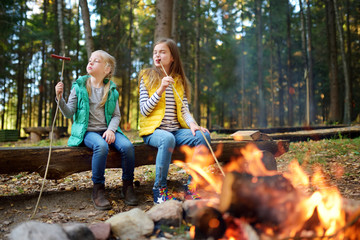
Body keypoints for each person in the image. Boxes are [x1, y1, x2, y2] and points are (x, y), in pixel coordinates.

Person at [55, 50, 138, 210]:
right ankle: (98, 189)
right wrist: (60, 99)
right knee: (101, 146)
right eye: (90, 60)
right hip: (87, 132)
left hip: (107, 130)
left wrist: (112, 130)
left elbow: (116, 116)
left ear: (107, 69)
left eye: (96, 61)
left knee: (128, 147)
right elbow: (69, 113)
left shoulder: (111, 90)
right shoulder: (79, 87)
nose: (91, 62)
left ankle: (128, 187)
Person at [138, 38, 211, 204]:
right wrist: (161, 89)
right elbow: (144, 110)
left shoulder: (178, 80)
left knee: (203, 136)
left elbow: (184, 109)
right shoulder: (146, 77)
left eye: (162, 52)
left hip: (175, 130)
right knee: (167, 138)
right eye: (155, 52)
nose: (158, 55)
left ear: (172, 58)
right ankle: (160, 190)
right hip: (153, 132)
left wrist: (193, 124)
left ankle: (192, 186)